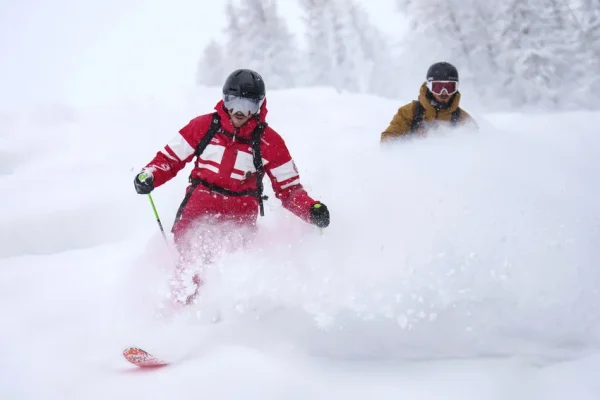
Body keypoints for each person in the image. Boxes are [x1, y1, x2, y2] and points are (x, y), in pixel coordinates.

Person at [133, 68, 330, 305]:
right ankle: (178, 318)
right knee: (192, 260)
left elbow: (289, 190)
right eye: (233, 102)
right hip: (196, 211)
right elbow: (170, 159)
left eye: (248, 105)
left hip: (239, 218)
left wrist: (310, 209)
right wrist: (150, 175)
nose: (239, 111)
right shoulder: (204, 126)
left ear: (259, 106)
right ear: (224, 99)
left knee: (227, 267)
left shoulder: (268, 141)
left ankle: (224, 323)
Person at [381, 62, 476, 142]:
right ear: (429, 87)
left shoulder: (462, 119)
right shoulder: (410, 112)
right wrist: (411, 140)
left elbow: (477, 146)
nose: (444, 93)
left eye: (449, 87)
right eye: (438, 87)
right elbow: (387, 141)